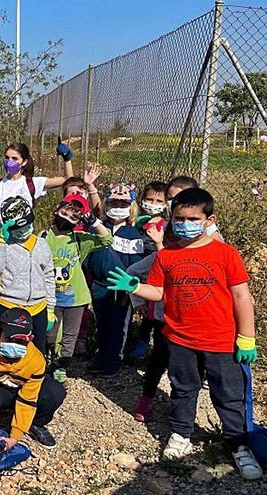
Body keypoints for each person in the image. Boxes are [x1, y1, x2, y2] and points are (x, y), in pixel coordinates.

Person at [107, 188, 262, 480]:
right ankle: (181, 433)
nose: (185, 224)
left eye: (193, 218)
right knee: (183, 388)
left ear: (208, 219)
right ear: (170, 218)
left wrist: (247, 336)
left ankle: (238, 444)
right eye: (179, 218)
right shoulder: (167, 257)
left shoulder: (225, 253)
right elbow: (160, 291)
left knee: (228, 394)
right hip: (180, 339)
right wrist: (135, 287)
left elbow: (241, 296)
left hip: (221, 340)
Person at [0, 308, 67, 450]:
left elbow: (28, 399)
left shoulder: (36, 360)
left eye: (20, 341)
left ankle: (35, 423)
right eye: (9, 339)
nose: (14, 344)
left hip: (23, 390)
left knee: (55, 392)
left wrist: (15, 436)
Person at [42, 194, 112, 382]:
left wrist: (95, 222)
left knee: (70, 336)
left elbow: (107, 240)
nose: (67, 217)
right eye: (65, 211)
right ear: (57, 210)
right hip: (50, 296)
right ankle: (47, 358)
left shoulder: (80, 239)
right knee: (49, 334)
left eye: (74, 216)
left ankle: (61, 366)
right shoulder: (42, 237)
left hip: (76, 297)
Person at [0, 142, 73, 264]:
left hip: (25, 243)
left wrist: (67, 157)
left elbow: (68, 180)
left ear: (24, 162)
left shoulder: (32, 183)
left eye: (14, 158)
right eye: (7, 158)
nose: (9, 162)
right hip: (1, 242)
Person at [0, 196, 55, 354]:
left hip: (38, 306)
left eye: (27, 225)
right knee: (8, 348)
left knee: (37, 350)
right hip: (10, 304)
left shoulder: (41, 244)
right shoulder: (2, 242)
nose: (23, 231)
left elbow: (49, 276)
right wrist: (2, 241)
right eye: (18, 228)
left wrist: (50, 308)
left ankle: (36, 377)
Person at [89, 183, 144, 376]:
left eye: (123, 203)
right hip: (99, 284)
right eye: (113, 202)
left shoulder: (133, 235)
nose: (118, 206)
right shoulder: (97, 228)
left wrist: (130, 291)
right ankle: (102, 355)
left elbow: (135, 265)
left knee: (119, 326)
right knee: (101, 323)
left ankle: (114, 360)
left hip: (121, 288)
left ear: (131, 206)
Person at [128, 181, 168, 360]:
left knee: (154, 311)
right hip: (140, 270)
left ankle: (151, 345)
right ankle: (138, 342)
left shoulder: (168, 226)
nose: (153, 204)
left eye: (159, 200)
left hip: (157, 272)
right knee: (144, 310)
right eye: (149, 199)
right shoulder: (135, 221)